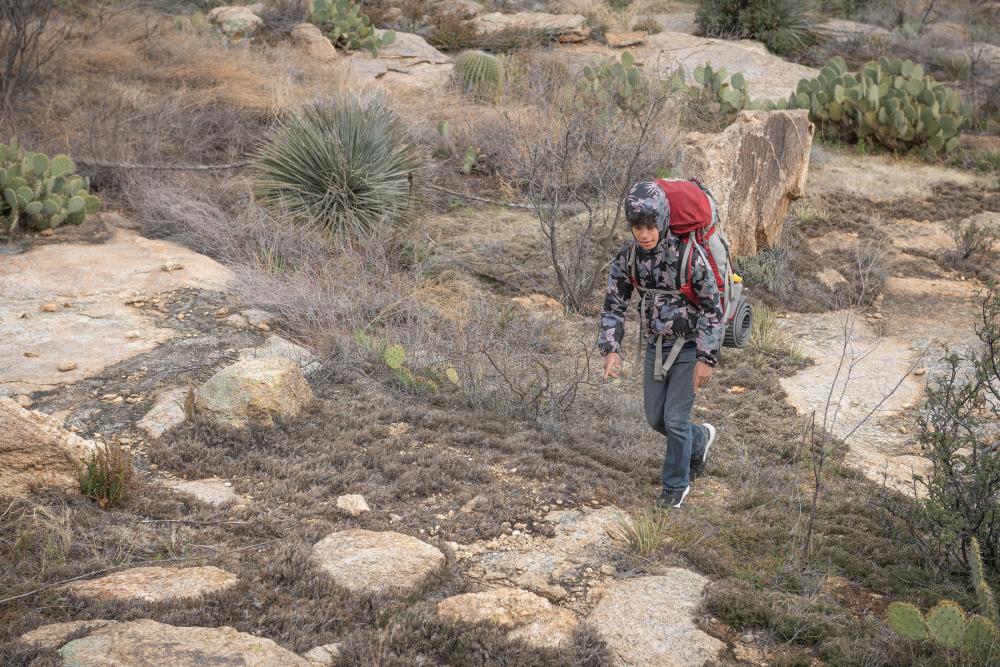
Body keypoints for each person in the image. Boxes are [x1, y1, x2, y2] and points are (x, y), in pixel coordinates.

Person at [598, 181, 724, 508]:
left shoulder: (688, 256)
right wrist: (611, 348)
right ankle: (700, 441)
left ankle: (675, 487)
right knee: (656, 418)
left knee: (675, 420)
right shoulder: (628, 258)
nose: (644, 233)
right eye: (637, 227)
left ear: (664, 220)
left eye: (651, 225)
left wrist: (706, 358)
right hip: (655, 347)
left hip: (689, 348)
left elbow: (713, 308)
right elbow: (614, 305)